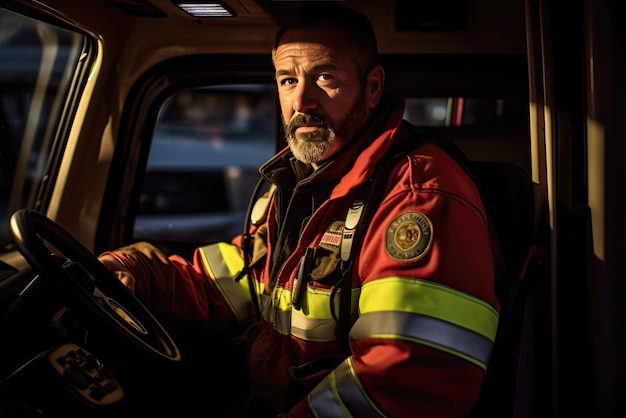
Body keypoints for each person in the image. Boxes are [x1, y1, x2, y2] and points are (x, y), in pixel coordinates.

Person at [99, 3, 501, 417]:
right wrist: (136, 271)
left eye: (325, 77)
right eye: (287, 80)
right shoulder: (303, 180)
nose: (301, 99)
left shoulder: (417, 196)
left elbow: (408, 381)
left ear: (373, 87)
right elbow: (246, 279)